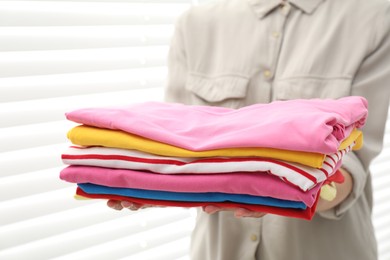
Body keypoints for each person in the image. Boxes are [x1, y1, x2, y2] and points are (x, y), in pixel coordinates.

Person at [108, 0, 390, 259]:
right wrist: (151, 184)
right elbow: (176, 145)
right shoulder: (196, 24)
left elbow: (352, 161)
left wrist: (286, 191)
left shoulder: (375, 18)